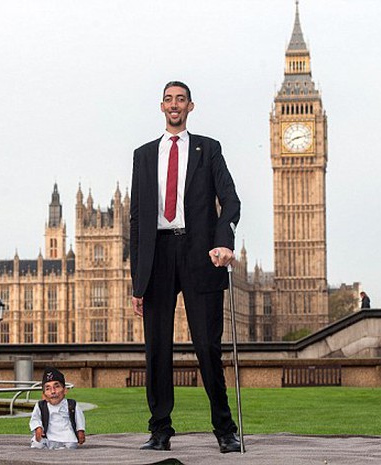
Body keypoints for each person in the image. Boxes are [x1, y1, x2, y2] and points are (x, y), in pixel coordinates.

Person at [129, 81, 242, 453]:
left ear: (190, 107)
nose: (174, 105)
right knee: (156, 348)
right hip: (158, 254)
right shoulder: (143, 155)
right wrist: (137, 282)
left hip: (199, 252)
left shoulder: (208, 149)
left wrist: (223, 240)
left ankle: (224, 428)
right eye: (168, 99)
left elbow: (230, 200)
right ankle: (160, 429)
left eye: (181, 99)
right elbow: (137, 220)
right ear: (161, 106)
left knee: (207, 346)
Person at [29, 367, 86, 450]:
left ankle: (63, 448)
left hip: (67, 436)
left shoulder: (72, 404)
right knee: (38, 443)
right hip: (48, 436)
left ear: (65, 390)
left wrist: (80, 431)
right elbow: (35, 419)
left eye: (57, 387)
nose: (53, 391)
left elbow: (79, 419)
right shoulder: (40, 405)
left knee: (71, 445)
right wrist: (38, 428)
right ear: (43, 395)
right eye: (48, 388)